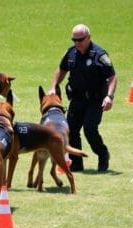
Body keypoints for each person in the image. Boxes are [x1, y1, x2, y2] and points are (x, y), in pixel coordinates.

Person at [48, 24, 117, 172]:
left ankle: (103, 154)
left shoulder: (99, 54)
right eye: (74, 40)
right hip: (77, 99)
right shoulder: (71, 52)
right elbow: (62, 69)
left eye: (80, 40)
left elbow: (112, 77)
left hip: (95, 100)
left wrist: (109, 97)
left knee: (90, 129)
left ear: (89, 37)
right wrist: (54, 86)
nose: (77, 43)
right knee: (71, 130)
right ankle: (76, 163)